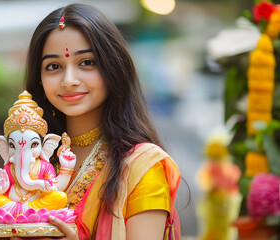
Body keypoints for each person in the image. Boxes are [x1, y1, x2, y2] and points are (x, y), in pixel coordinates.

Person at [21, 3, 181, 240]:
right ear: (40, 80)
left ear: (113, 68)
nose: (69, 80)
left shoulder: (141, 167)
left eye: (87, 62)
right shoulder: (34, 160)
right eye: (53, 66)